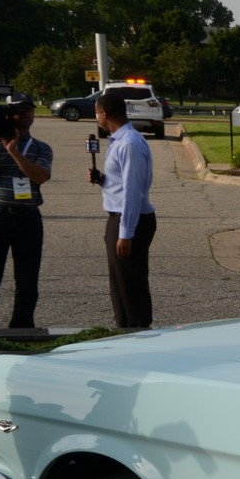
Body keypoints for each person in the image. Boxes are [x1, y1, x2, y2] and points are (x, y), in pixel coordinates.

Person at [0, 92, 51, 330]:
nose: (24, 115)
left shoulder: (40, 147)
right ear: (9, 114)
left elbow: (39, 176)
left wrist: (14, 151)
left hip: (28, 217)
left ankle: (22, 328)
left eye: (28, 110)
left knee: (27, 279)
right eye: (19, 111)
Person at [91, 90, 155, 329]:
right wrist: (103, 179)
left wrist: (126, 233)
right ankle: (125, 329)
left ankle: (138, 330)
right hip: (119, 217)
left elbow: (133, 191)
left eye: (97, 113)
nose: (96, 118)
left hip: (130, 219)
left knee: (131, 285)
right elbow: (121, 183)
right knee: (119, 283)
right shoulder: (118, 140)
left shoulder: (129, 143)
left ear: (104, 113)